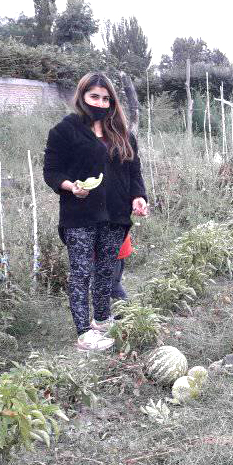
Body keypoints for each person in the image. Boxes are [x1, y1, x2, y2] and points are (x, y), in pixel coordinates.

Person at [43, 72, 148, 351]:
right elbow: (51, 171)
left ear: (112, 101)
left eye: (105, 98)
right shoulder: (65, 130)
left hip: (115, 213)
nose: (100, 103)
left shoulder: (122, 134)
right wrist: (70, 186)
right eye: (94, 97)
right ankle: (84, 333)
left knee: (105, 270)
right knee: (81, 272)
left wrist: (138, 197)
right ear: (82, 97)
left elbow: (133, 171)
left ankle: (102, 319)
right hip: (79, 214)